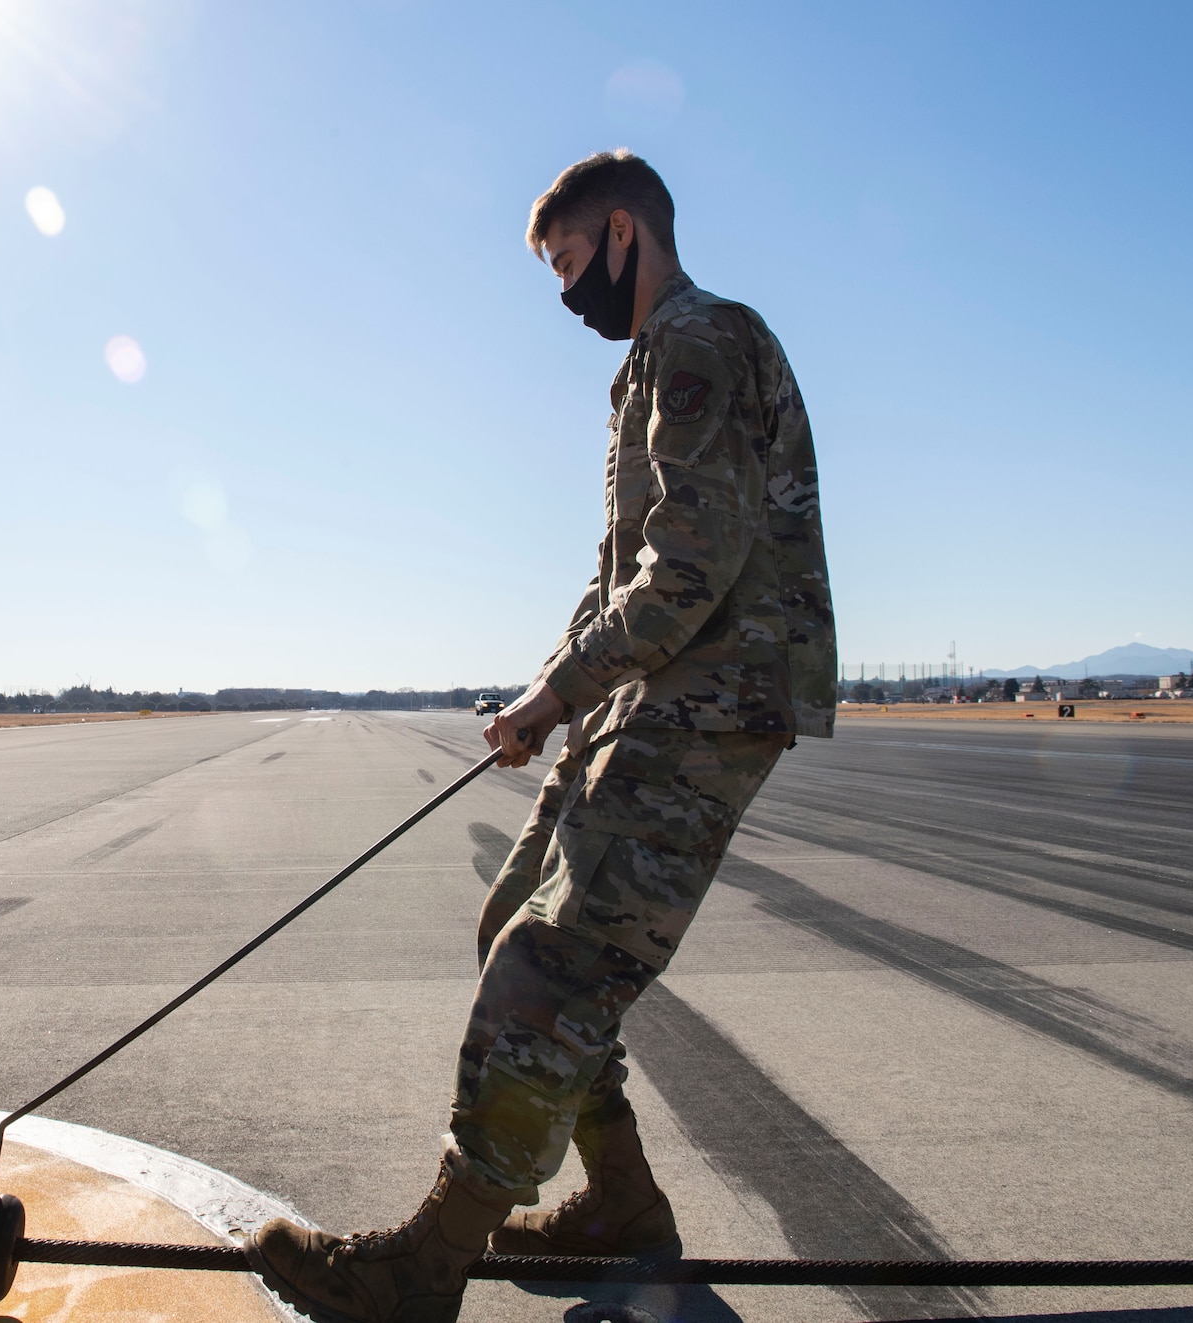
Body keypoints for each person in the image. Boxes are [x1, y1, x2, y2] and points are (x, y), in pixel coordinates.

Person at [245, 149, 837, 1323]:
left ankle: (427, 1266)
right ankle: (620, 1205)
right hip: (647, 696)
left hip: (707, 701)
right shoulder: (647, 368)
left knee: (549, 967)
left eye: (569, 263)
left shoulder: (698, 342)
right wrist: (546, 696)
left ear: (623, 233)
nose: (566, 293)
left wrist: (558, 693)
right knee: (510, 921)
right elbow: (618, 568)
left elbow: (689, 573)